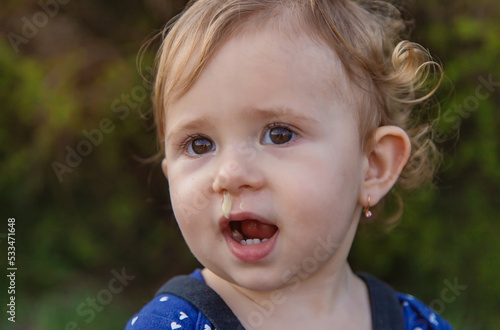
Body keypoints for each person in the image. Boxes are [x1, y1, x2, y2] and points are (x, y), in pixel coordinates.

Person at [126, 0, 453, 329]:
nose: (230, 174)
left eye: (279, 135)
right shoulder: (169, 324)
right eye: (200, 144)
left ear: (373, 166)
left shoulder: (418, 324)